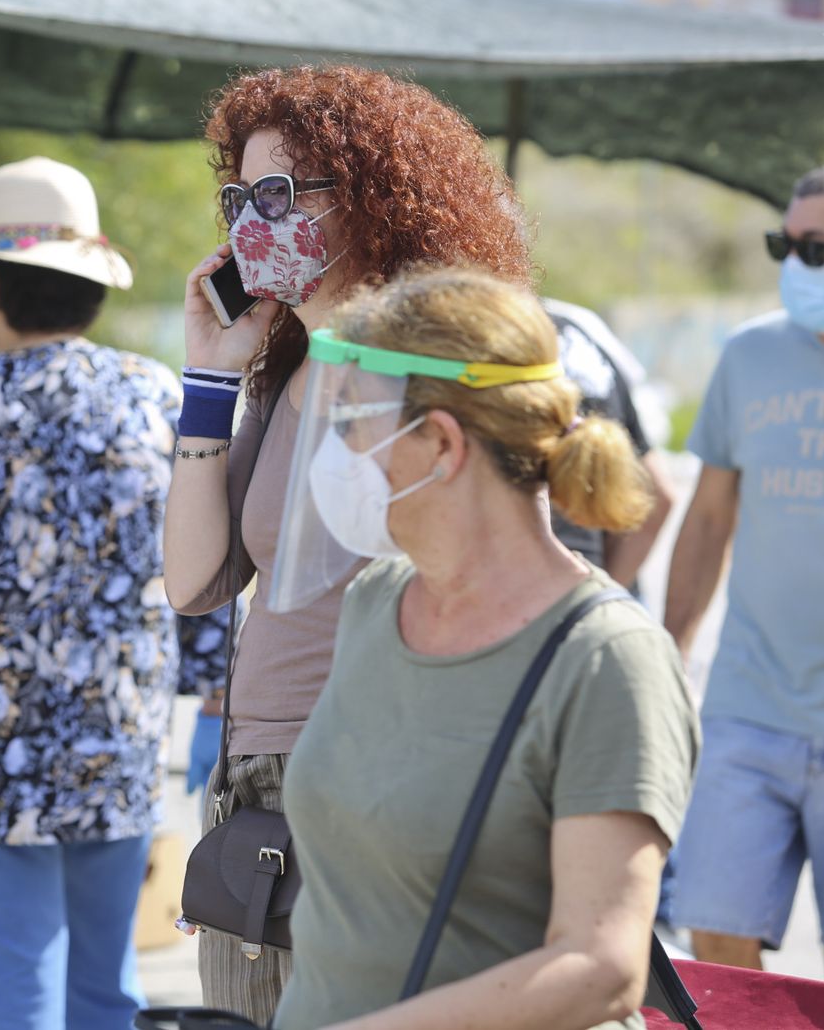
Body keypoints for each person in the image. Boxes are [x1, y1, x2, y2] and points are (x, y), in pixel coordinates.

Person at [163, 64, 532, 1022]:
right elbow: (194, 581)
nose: (252, 219)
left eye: (280, 193)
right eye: (239, 195)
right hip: (253, 786)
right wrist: (210, 378)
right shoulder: (287, 374)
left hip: (375, 777)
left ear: (369, 197)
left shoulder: (431, 376)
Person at [270, 266, 698, 1030]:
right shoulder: (376, 601)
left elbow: (601, 968)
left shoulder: (606, 658)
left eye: (353, 423)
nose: (336, 454)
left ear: (439, 442)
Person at [0, 156, 231, 1030]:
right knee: (105, 993)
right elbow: (202, 568)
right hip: (112, 740)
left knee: (11, 998)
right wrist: (205, 679)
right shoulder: (155, 395)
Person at [664, 162, 824, 989]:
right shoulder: (749, 355)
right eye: (783, 244)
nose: (795, 263)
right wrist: (668, 652)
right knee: (715, 943)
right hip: (748, 707)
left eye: (815, 247)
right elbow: (708, 516)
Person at [544, 299, 676, 588]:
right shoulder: (584, 328)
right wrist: (603, 598)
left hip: (520, 604)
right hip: (591, 590)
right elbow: (657, 496)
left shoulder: (480, 340)